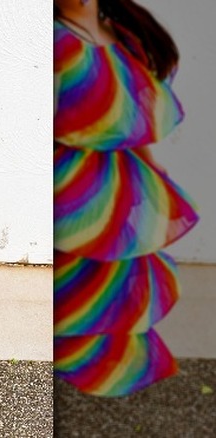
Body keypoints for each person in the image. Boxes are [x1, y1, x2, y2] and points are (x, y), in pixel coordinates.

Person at [53, 0, 198, 397]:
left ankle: (106, 364)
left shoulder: (125, 37)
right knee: (78, 274)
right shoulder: (58, 41)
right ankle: (76, 360)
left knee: (119, 276)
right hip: (74, 186)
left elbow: (132, 118)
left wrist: (154, 170)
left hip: (126, 181)